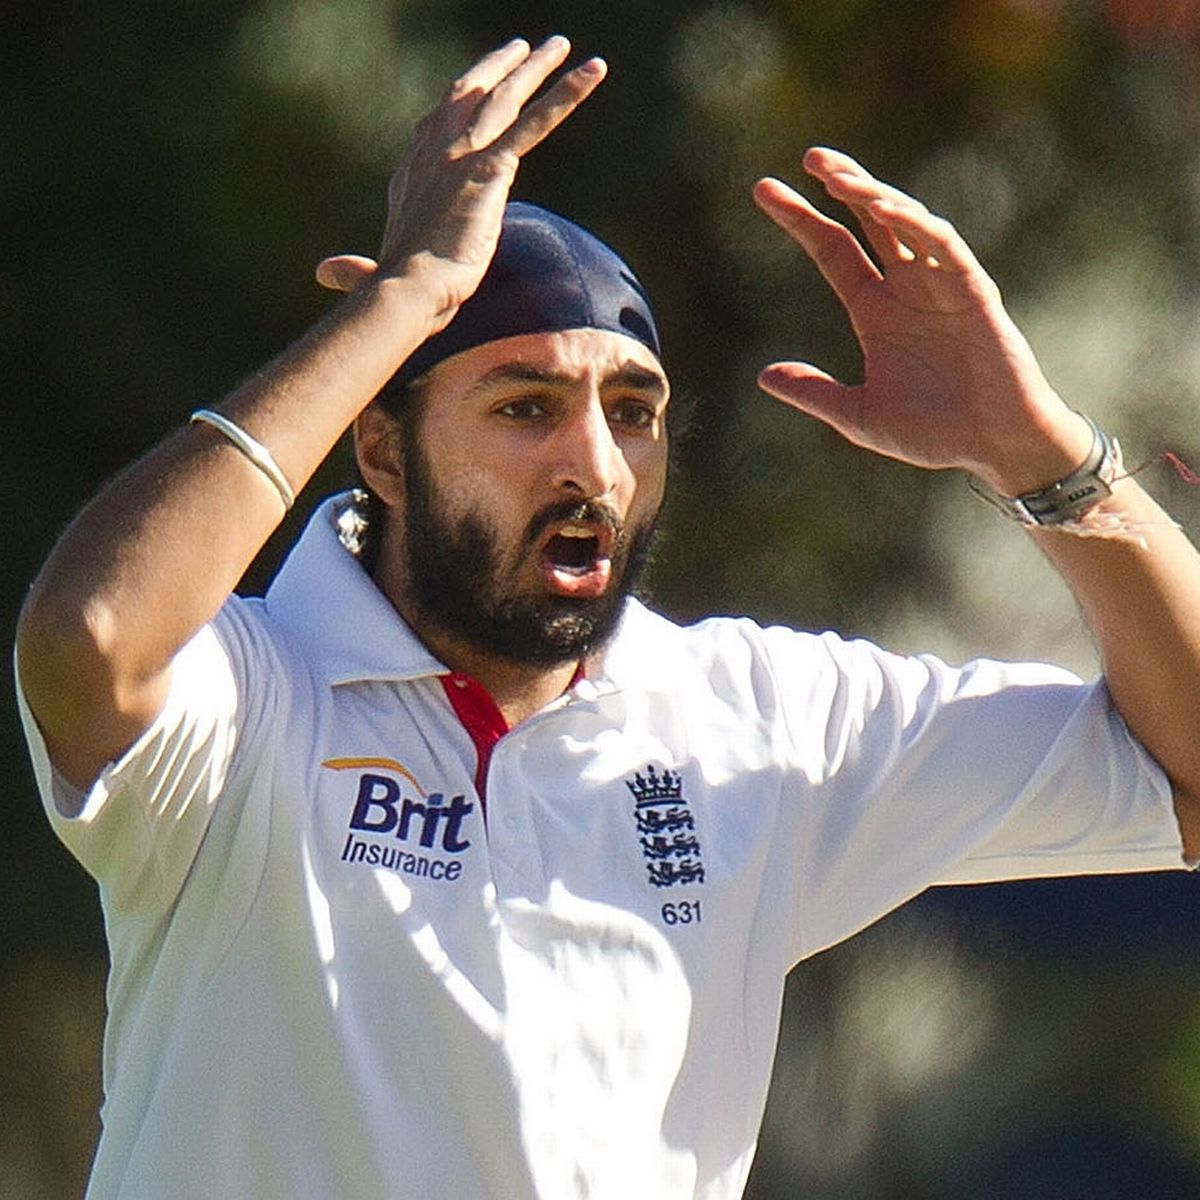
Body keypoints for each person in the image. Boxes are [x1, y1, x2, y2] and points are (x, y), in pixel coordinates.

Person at [14, 34, 1200, 1200]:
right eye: (525, 408)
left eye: (632, 411)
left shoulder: (755, 723)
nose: (597, 467)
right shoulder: (248, 695)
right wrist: (404, 303)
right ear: (380, 445)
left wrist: (1042, 455)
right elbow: (90, 643)